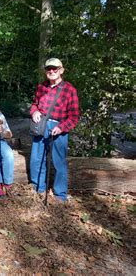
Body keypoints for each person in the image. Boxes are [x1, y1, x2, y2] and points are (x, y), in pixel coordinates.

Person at [29, 58, 79, 202]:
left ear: (61, 70)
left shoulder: (70, 90)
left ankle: (60, 195)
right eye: (48, 69)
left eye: (54, 69)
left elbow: (74, 117)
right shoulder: (41, 87)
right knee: (37, 159)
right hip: (41, 126)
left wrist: (61, 127)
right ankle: (38, 188)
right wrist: (34, 112)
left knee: (59, 163)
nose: (51, 71)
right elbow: (34, 105)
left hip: (59, 129)